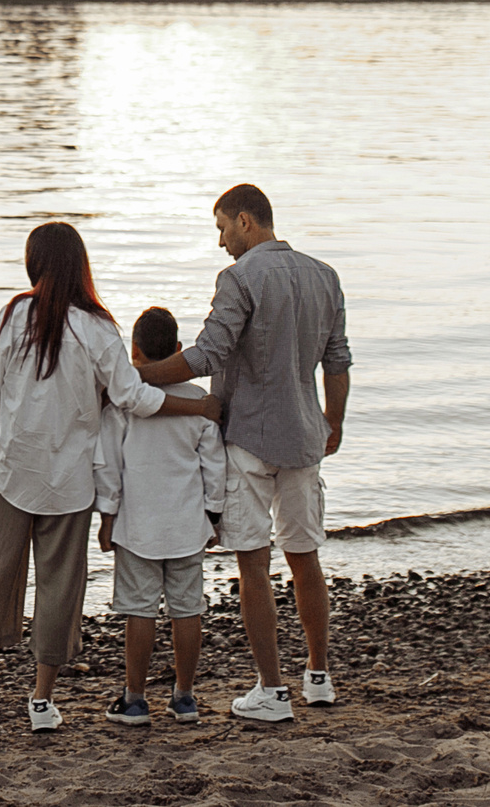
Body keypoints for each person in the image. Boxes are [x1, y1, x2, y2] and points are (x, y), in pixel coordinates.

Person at [0, 221, 195, 734]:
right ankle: (40, 703)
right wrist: (200, 405)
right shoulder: (97, 328)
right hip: (71, 483)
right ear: (80, 264)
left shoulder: (11, 316)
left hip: (15, 473)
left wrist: (7, 453)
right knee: (58, 590)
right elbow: (132, 398)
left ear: (35, 264)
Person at [134, 183, 351, 724]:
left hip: (250, 439)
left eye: (222, 228)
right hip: (305, 435)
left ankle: (272, 691)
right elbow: (338, 361)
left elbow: (207, 354)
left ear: (247, 222)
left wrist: (134, 377)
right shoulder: (325, 275)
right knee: (305, 558)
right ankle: (318, 677)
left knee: (253, 565)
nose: (221, 242)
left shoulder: (240, 277)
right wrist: (335, 420)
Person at [96, 307, 225, 727]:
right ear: (176, 351)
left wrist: (107, 515)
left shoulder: (124, 406)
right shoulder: (199, 404)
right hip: (188, 523)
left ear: (134, 352)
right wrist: (214, 514)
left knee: (141, 610)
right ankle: (184, 697)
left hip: (138, 526)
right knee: (187, 610)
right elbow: (214, 466)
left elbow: (109, 465)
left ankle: (134, 699)